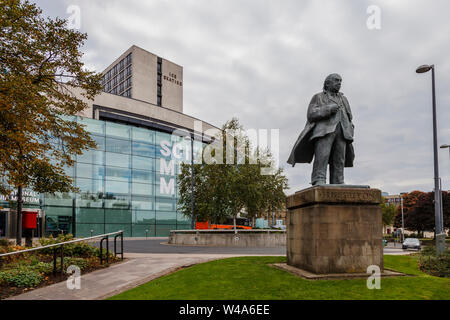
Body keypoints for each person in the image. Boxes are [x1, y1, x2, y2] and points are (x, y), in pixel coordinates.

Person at [287, 74, 355, 186]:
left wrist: (350, 128)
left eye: (340, 81)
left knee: (339, 159)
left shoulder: (344, 99)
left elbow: (349, 116)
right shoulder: (318, 97)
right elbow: (311, 114)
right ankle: (319, 179)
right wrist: (328, 109)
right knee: (322, 156)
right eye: (336, 80)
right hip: (324, 131)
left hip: (342, 131)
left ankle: (338, 181)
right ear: (327, 83)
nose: (339, 83)